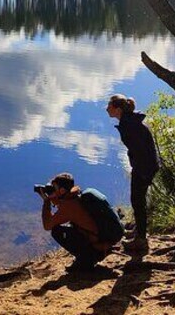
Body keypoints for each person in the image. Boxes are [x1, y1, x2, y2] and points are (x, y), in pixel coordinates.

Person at [106, 94, 160, 253]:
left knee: (137, 201)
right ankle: (139, 231)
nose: (106, 108)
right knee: (137, 200)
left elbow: (140, 150)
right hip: (145, 166)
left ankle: (141, 240)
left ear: (118, 109)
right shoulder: (129, 121)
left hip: (144, 167)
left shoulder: (129, 125)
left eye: (109, 105)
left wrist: (141, 172)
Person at [39, 172, 113, 271]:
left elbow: (47, 225)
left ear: (62, 190)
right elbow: (67, 207)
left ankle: (86, 260)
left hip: (97, 247)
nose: (52, 190)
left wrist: (46, 202)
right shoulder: (76, 194)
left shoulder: (69, 206)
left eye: (54, 188)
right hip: (103, 240)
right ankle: (90, 255)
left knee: (56, 231)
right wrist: (55, 198)